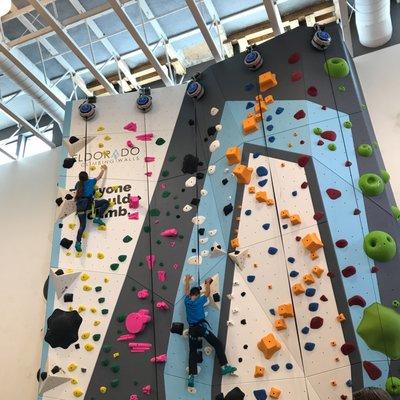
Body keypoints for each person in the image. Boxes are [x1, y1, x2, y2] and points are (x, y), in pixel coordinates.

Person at [184, 274, 236, 389]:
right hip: (201, 328)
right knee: (217, 343)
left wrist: (187, 280)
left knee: (193, 351)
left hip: (192, 329)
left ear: (191, 295)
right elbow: (207, 293)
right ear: (197, 295)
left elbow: (186, 291)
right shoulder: (200, 300)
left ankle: (191, 376)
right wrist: (207, 283)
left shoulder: (187, 301)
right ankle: (224, 366)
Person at [74, 165, 109, 252]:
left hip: (80, 208)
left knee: (82, 226)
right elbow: (99, 177)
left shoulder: (78, 184)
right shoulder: (91, 181)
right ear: (87, 177)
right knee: (105, 202)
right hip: (89, 205)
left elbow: (76, 190)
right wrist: (103, 169)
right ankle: (97, 217)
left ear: (79, 178)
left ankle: (78, 242)